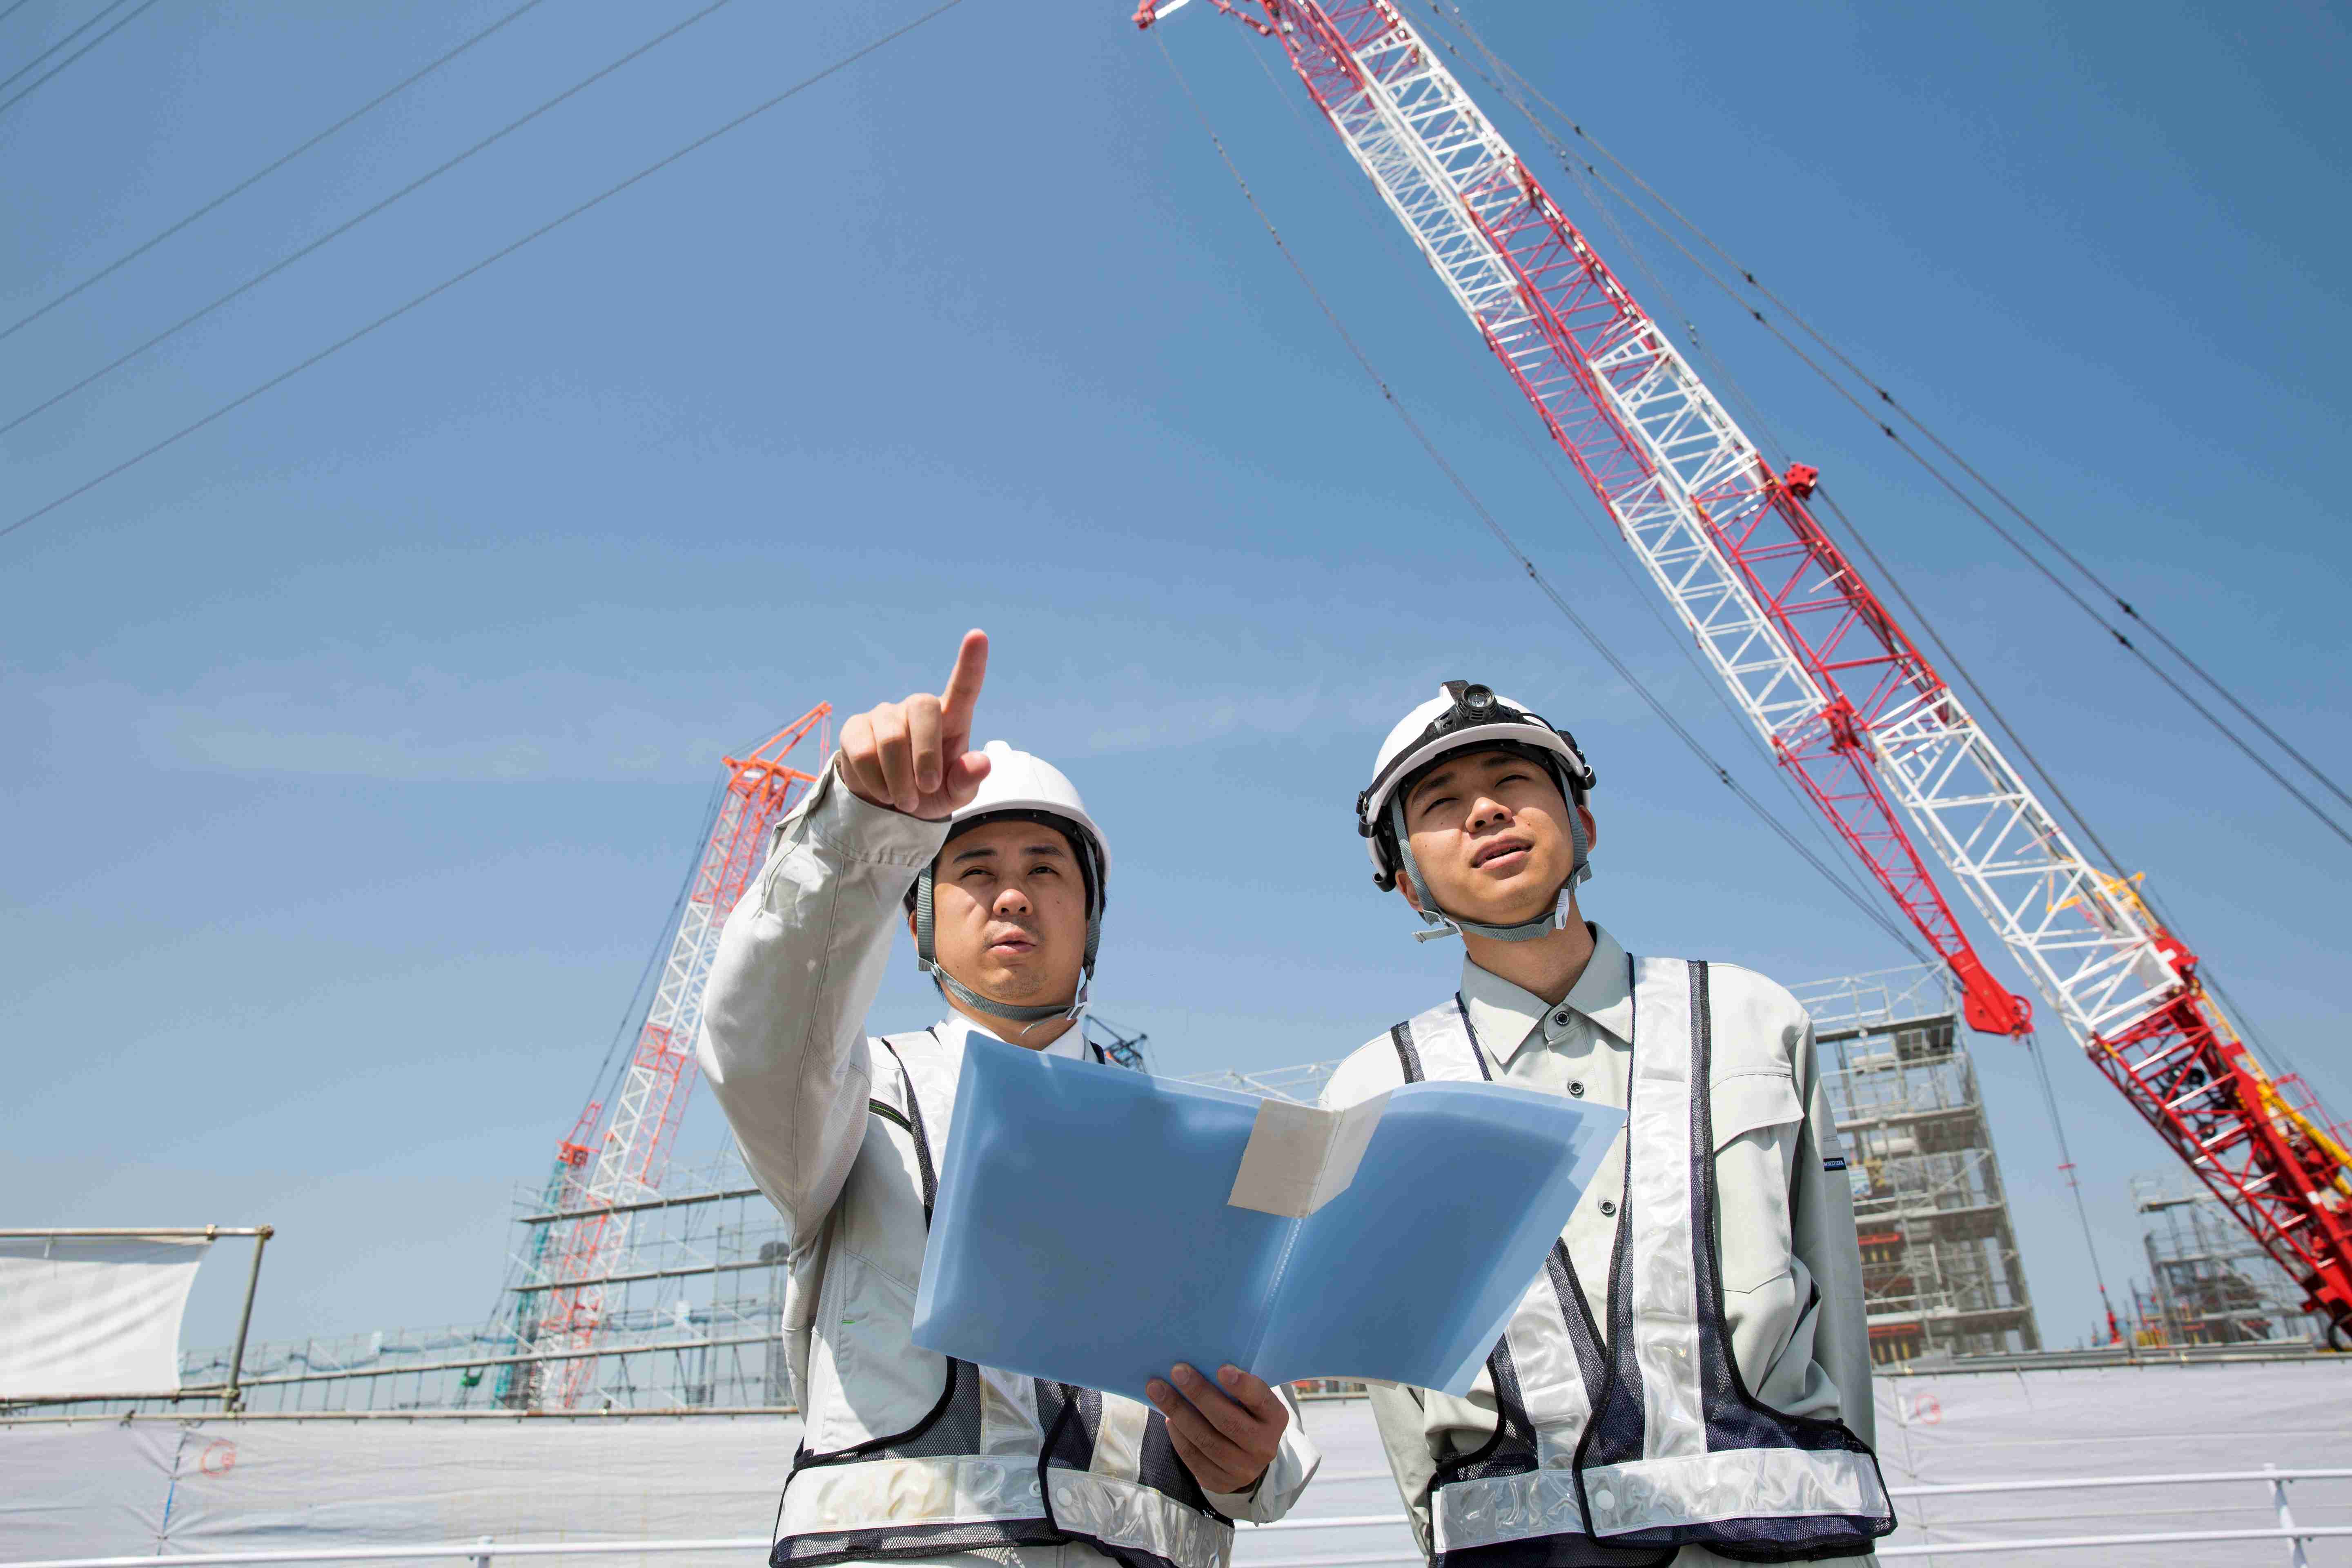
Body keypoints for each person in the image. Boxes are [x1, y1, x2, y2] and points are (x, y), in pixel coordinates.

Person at [697, 629, 1320, 1568]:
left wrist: (1256, 1460)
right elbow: (762, 1029)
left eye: (1045, 871)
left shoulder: (1198, 1145)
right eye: (975, 874)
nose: (1014, 898)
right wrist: (858, 829)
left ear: (1091, 916)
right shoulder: (853, 1101)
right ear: (918, 920)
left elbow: (1271, 1428)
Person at [1320, 681, 1892, 1566]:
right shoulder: (1373, 1092)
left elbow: (1836, 1309)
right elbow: (1399, 1400)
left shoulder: (1751, 1020)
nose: (1484, 812)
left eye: (1513, 779)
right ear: (1404, 883)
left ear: (1583, 822)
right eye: (1439, 804)